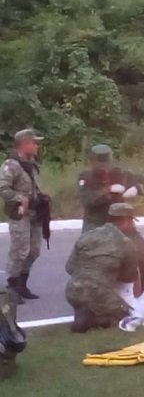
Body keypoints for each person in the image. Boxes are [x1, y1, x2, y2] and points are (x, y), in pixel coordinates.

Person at [65, 203, 144, 333]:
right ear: (126, 221)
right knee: (126, 315)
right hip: (100, 294)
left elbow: (70, 268)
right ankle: (98, 320)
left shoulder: (86, 236)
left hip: (72, 291)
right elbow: (129, 278)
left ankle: (87, 314)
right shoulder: (126, 243)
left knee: (91, 299)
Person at [78, 145, 144, 289]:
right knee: (88, 254)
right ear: (92, 162)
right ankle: (90, 290)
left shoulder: (120, 174)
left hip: (120, 222)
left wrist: (137, 188)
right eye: (100, 164)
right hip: (96, 224)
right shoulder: (85, 178)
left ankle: (141, 286)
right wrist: (108, 191)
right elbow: (87, 200)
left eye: (106, 163)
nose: (104, 168)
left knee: (141, 250)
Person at [0, 129, 46, 302]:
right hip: (20, 213)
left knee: (33, 251)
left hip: (35, 212)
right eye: (34, 142)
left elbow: (34, 186)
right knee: (20, 250)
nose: (37, 146)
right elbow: (2, 187)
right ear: (25, 144)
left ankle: (22, 284)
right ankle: (12, 287)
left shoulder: (31, 163)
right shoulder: (12, 165)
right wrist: (20, 199)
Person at [0, 288, 25, 381]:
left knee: (11, 343)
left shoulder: (7, 296)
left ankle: (7, 369)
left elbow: (12, 325)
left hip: (6, 334)